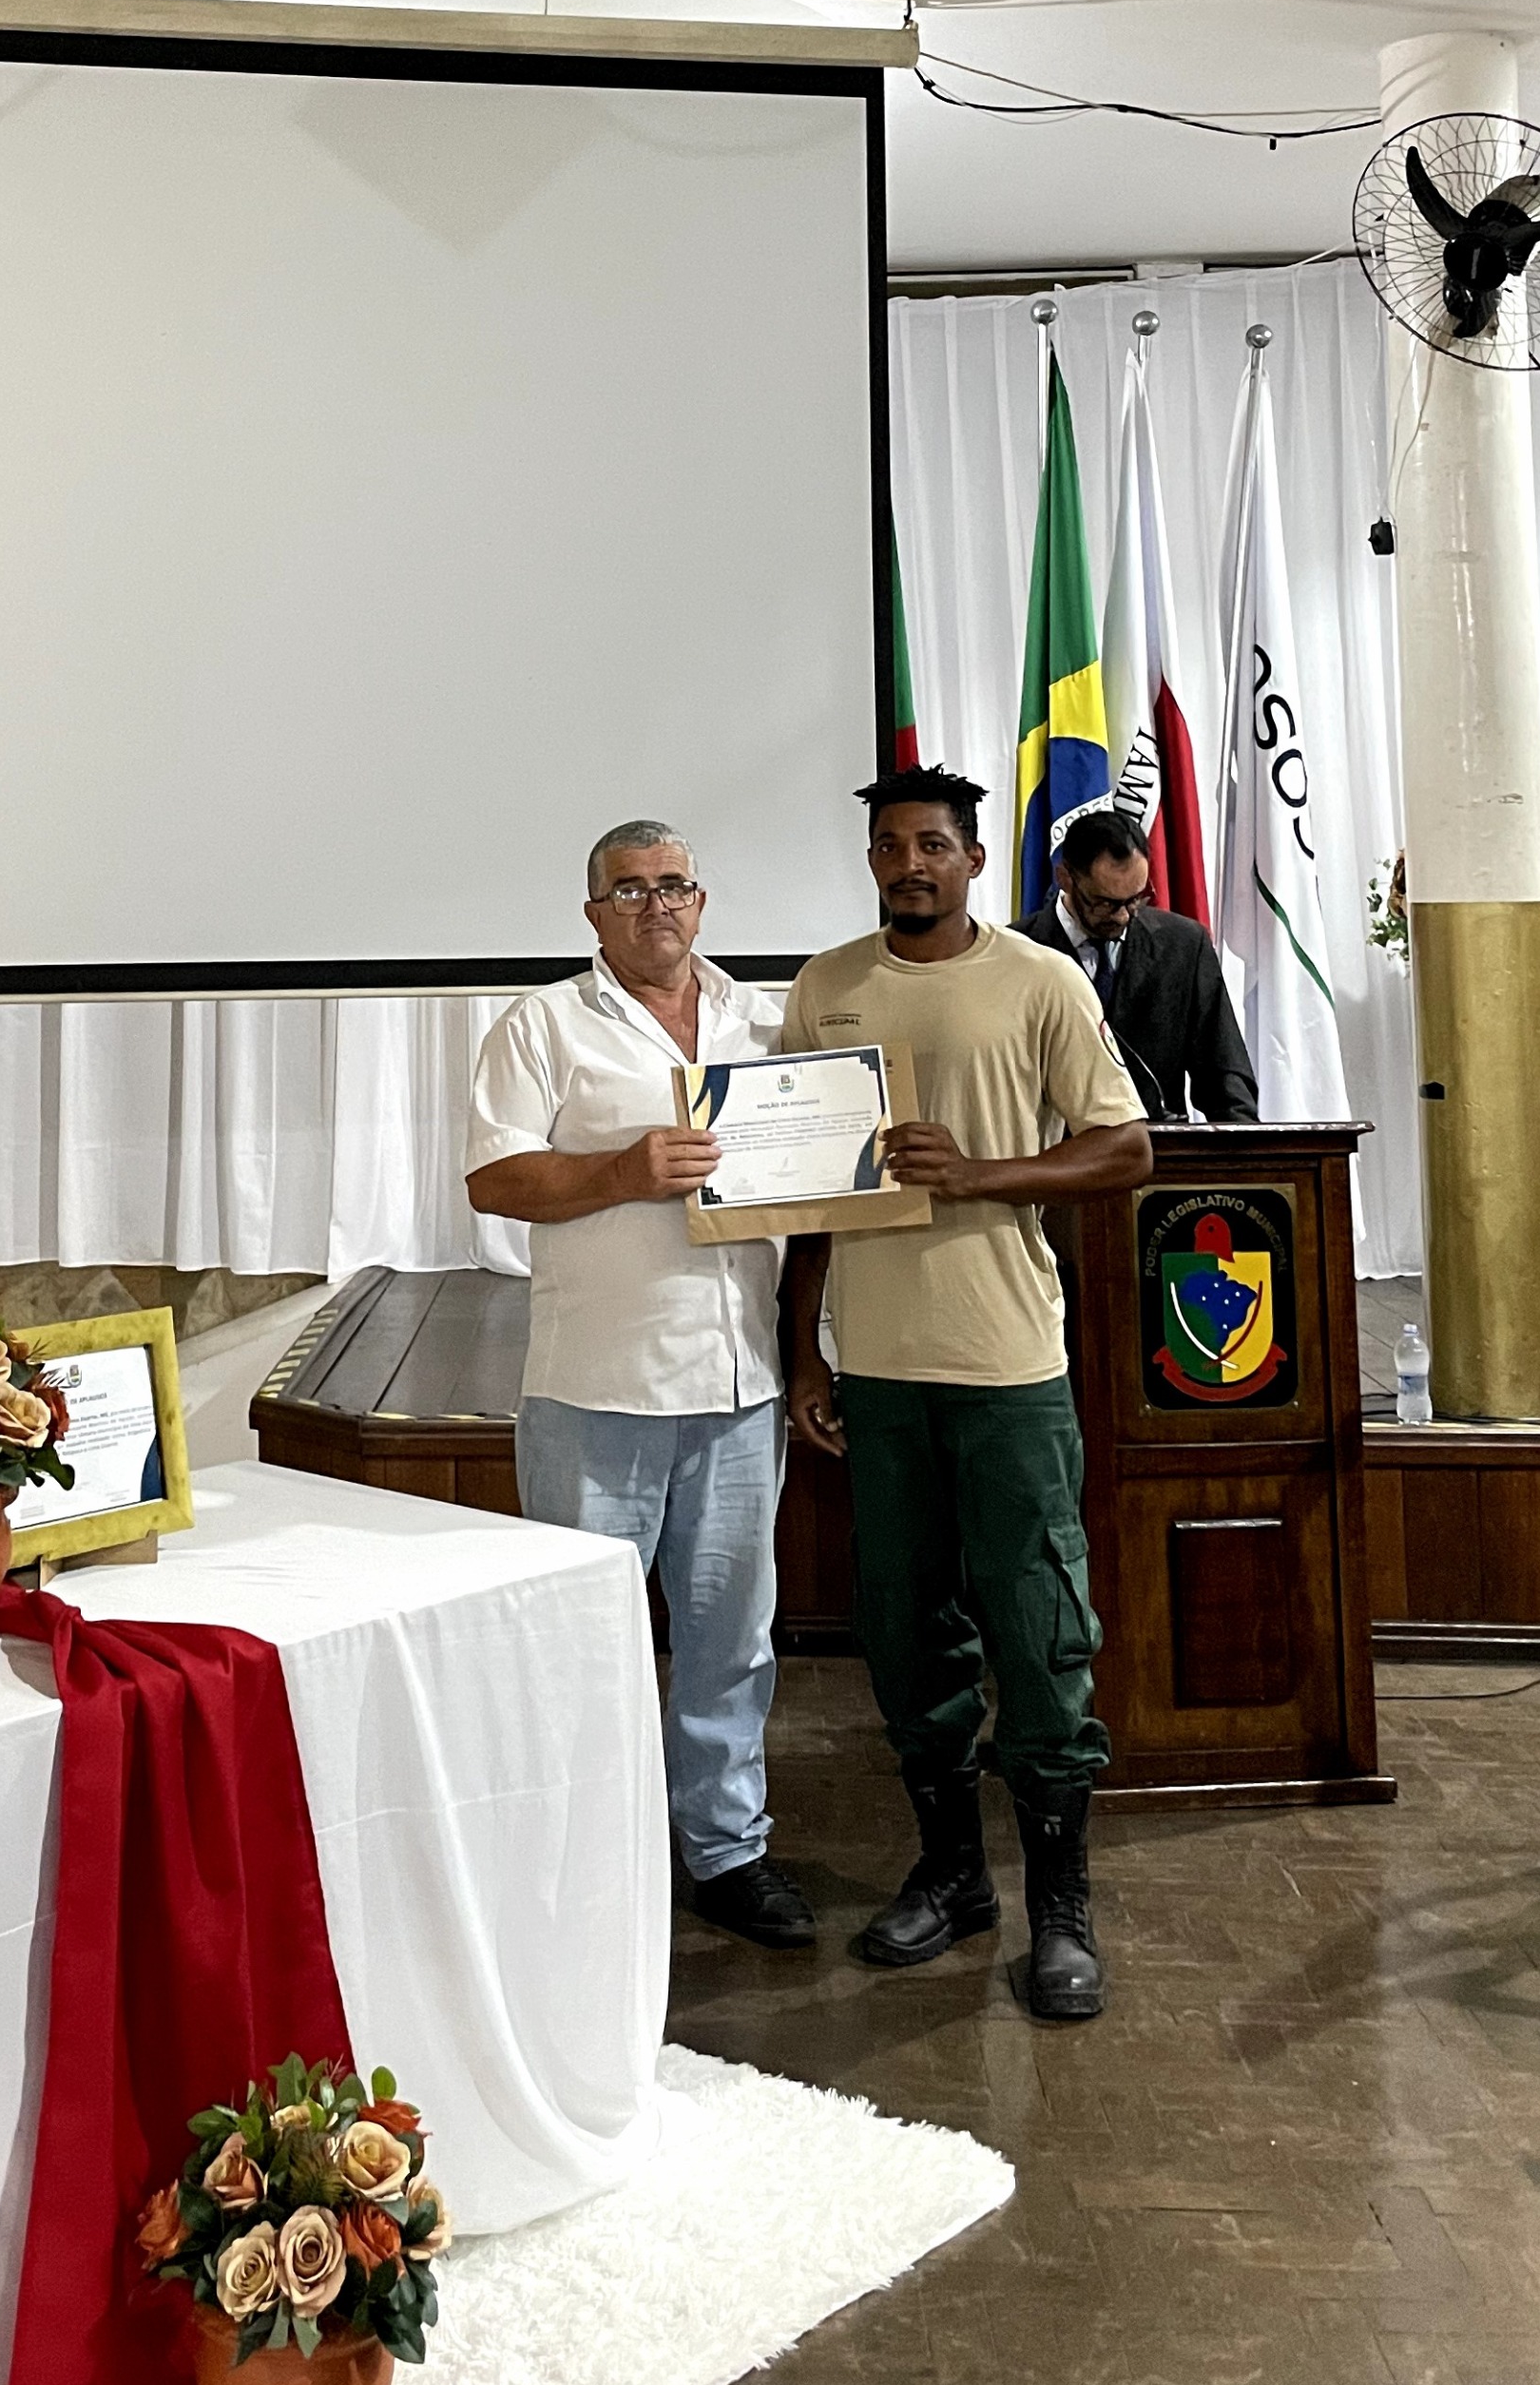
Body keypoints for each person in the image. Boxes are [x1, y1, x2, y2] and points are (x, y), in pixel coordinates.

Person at [780, 767, 1149, 2017]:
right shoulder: (826, 987)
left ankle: (1061, 1907)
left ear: (974, 860)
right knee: (904, 1632)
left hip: (1006, 1367)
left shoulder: (1038, 981)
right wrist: (804, 1351)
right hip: (879, 1372)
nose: (910, 864)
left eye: (932, 844)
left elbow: (1127, 1147)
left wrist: (980, 1173)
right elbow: (803, 1193)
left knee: (1040, 1635)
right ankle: (951, 1873)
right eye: (890, 846)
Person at [466, 820, 814, 1950]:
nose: (656, 904)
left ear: (701, 901)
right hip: (596, 1387)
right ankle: (583, 1858)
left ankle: (727, 1849)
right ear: (594, 912)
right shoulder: (543, 1023)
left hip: (740, 1381)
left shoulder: (765, 1020)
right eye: (630, 889)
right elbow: (493, 1177)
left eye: (674, 885)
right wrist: (622, 1170)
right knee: (580, 1643)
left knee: (732, 1640)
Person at [1020, 805, 1258, 1124]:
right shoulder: (1018, 953)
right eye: (1106, 903)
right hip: (1057, 1149)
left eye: (1134, 899)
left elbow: (1223, 1074)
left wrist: (1243, 1147)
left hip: (1157, 1146)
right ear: (1065, 878)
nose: (1123, 916)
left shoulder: (1183, 945)